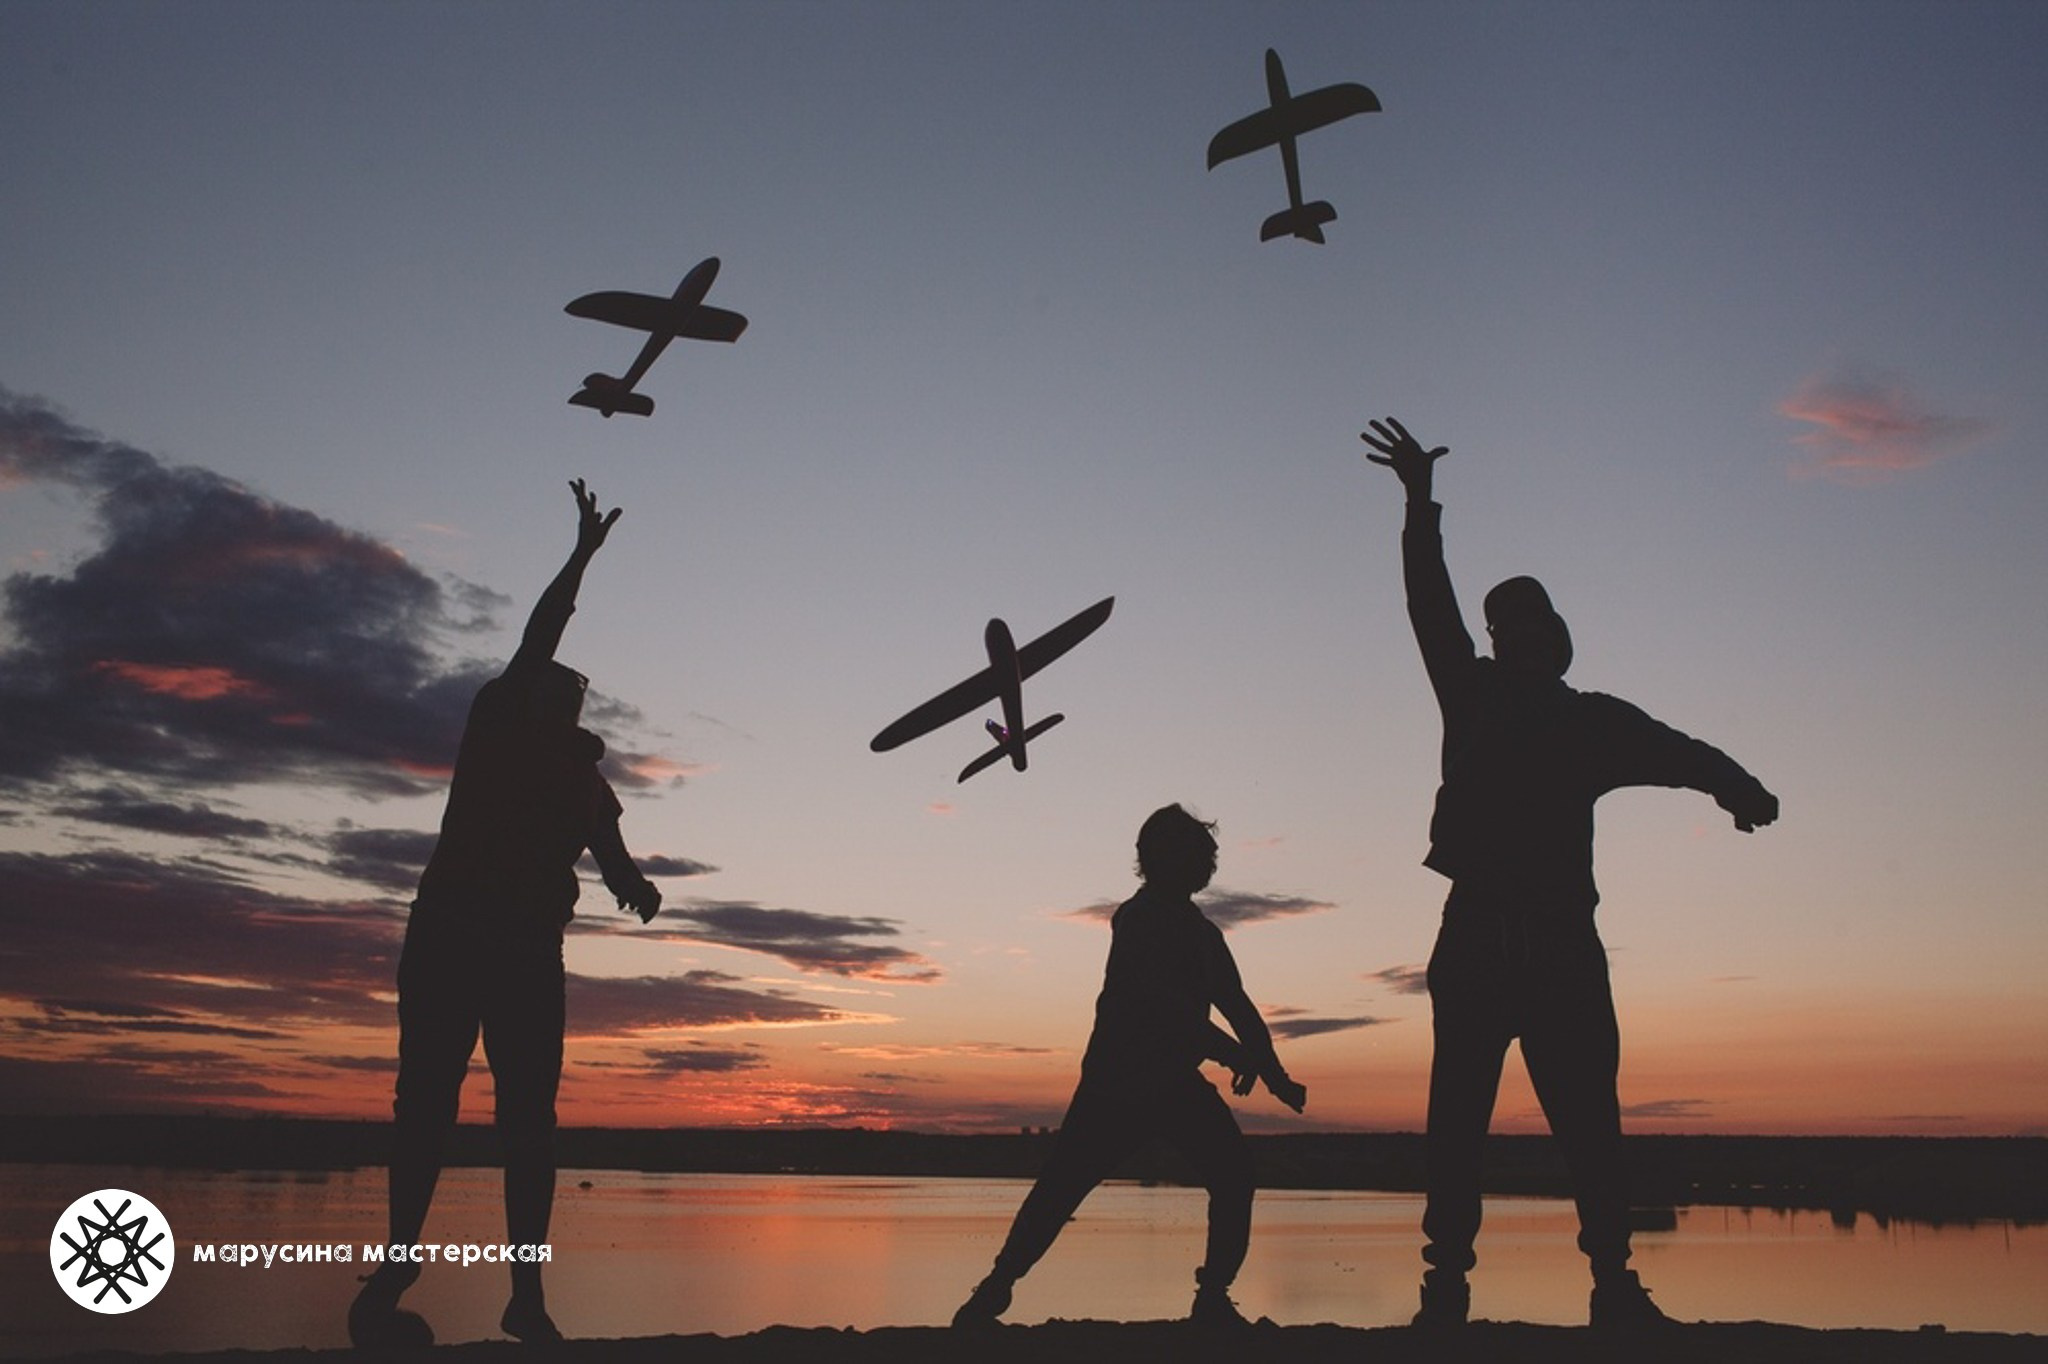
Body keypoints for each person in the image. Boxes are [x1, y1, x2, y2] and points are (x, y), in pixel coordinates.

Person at [1360, 418, 1778, 1329]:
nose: (1507, 636)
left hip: (1557, 943)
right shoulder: (1468, 696)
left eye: (1524, 625)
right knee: (1457, 1126)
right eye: (1498, 626)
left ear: (1554, 640)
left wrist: (1738, 788)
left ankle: (1615, 1287)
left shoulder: (1591, 720)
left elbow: (1680, 751)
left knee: (1589, 1120)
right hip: (1476, 939)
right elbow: (1428, 606)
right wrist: (1420, 506)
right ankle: (1446, 1293)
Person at [348, 480, 663, 1347]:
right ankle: (412, 1262)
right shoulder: (499, 723)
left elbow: (618, 865)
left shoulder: (580, 780)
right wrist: (581, 556)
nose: (550, 696)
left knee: (514, 1118)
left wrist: (638, 890)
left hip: (514, 949)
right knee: (437, 1106)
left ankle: (522, 1293)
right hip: (457, 934)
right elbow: (543, 632)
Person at [952, 804, 1308, 1329]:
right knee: (1061, 1189)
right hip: (1116, 1086)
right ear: (1157, 860)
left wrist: (1275, 1075)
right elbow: (1169, 1012)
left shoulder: (1203, 934)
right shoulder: (1138, 920)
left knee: (1233, 1176)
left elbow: (1238, 1006)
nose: (1201, 863)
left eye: (1202, 854)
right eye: (1190, 853)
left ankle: (1211, 1298)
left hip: (1173, 1085)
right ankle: (993, 1291)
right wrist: (1240, 1056)